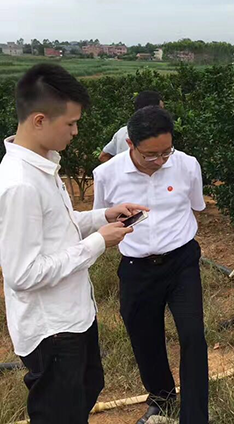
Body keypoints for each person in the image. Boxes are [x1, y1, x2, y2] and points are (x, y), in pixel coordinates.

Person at [0, 63, 144, 424]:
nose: (76, 132)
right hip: (52, 329)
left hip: (74, 315)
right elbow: (22, 274)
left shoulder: (44, 165)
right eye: (71, 123)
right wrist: (97, 243)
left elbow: (58, 229)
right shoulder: (20, 185)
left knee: (88, 388)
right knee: (59, 414)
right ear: (39, 121)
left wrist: (102, 216)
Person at [93, 106, 208, 424]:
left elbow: (195, 205)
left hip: (182, 262)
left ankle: (195, 416)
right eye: (151, 155)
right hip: (137, 266)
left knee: (192, 335)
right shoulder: (107, 174)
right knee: (144, 335)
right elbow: (101, 217)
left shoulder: (186, 165)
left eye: (166, 152)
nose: (160, 161)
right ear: (130, 144)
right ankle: (162, 398)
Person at [98, 90, 164, 162]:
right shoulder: (160, 134)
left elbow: (103, 156)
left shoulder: (122, 132)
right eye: (162, 110)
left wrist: (117, 167)